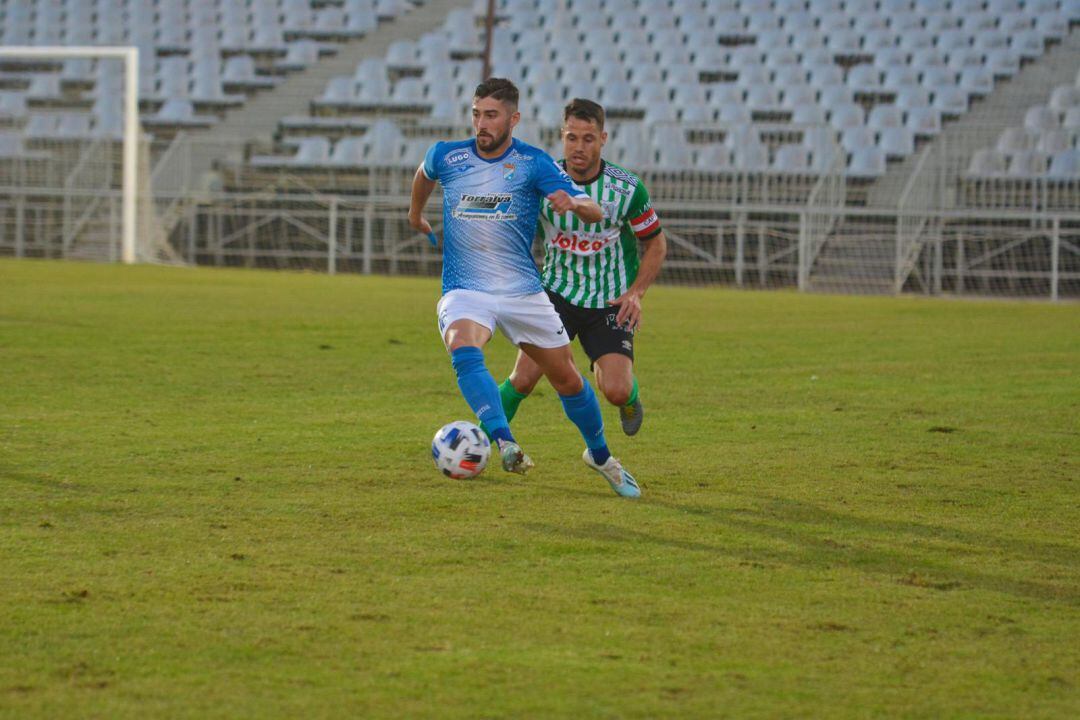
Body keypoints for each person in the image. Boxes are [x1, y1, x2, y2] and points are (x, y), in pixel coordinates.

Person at [408, 78, 641, 498]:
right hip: (466, 288)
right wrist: (415, 213)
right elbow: (424, 174)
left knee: (568, 380)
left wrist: (575, 203)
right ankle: (504, 442)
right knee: (462, 344)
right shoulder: (448, 155)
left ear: (513, 119)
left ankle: (601, 456)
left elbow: (592, 208)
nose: (482, 123)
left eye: (491, 115)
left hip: (523, 292)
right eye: (477, 114)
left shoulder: (533, 163)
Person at [492, 98, 668, 437]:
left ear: (603, 139)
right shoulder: (543, 181)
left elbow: (656, 244)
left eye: (588, 139)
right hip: (556, 295)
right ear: (562, 136)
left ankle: (628, 396)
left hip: (610, 300)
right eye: (572, 137)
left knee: (616, 390)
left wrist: (636, 293)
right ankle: (479, 440)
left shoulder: (626, 188)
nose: (579, 147)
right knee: (523, 378)